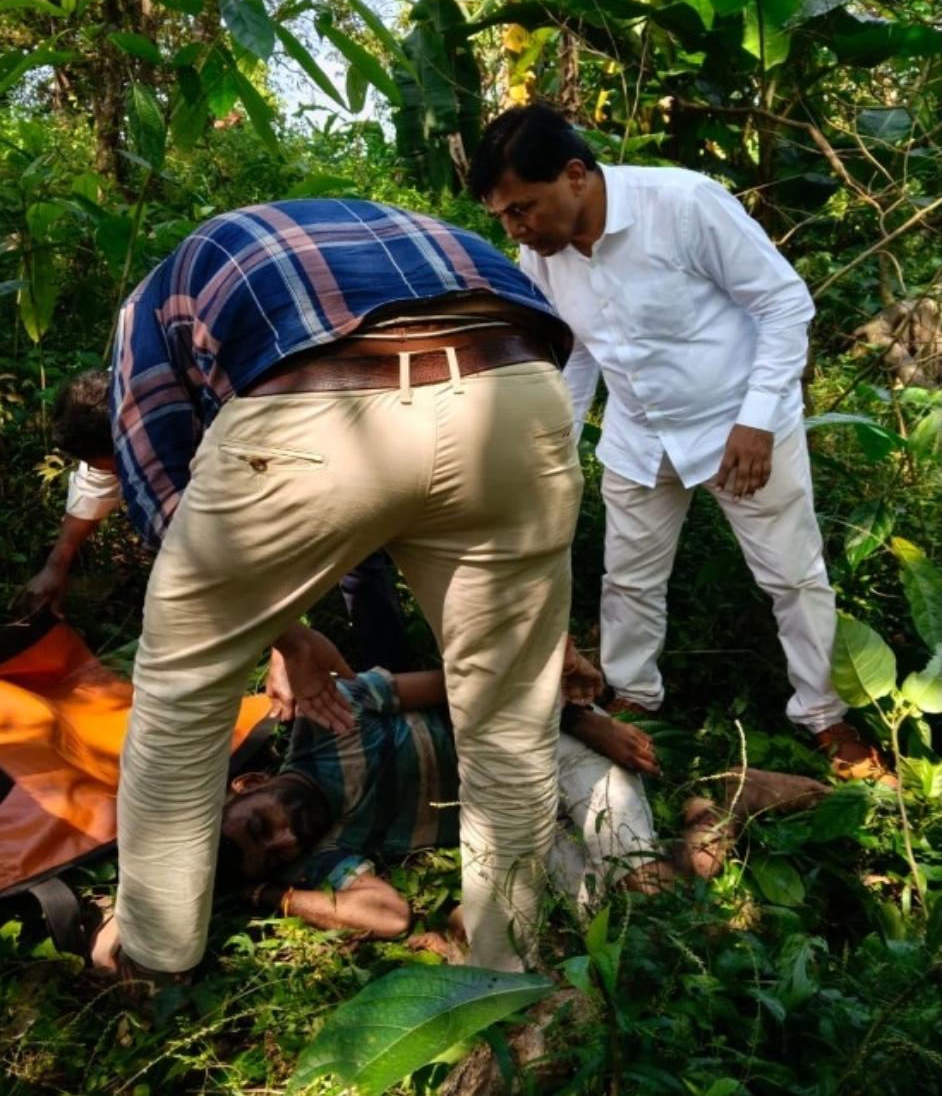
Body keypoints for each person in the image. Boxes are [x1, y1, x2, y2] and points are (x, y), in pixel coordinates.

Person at [103, 198, 584, 984]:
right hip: (514, 390)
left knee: (184, 689)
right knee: (508, 709)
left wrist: (280, 633)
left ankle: (152, 956)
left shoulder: (145, 310)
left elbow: (167, 494)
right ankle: (504, 958)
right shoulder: (394, 226)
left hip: (319, 404)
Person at [468, 102, 887, 782]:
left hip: (738, 426)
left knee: (792, 577)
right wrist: (556, 441)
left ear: (574, 175)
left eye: (524, 208)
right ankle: (635, 697)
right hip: (638, 436)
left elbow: (783, 303)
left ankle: (825, 715)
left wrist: (757, 420)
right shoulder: (541, 255)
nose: (517, 228)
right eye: (504, 217)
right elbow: (577, 349)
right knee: (629, 579)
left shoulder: (684, 203)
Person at [212, 658, 828, 943]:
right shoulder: (322, 853)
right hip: (518, 822)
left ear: (248, 783)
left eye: (262, 825)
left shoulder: (326, 718)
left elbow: (465, 682)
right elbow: (390, 917)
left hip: (548, 749)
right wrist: (266, 895)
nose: (287, 838)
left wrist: (578, 719)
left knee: (644, 890)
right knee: (634, 923)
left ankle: (731, 799)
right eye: (275, 855)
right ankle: (725, 805)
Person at [17, 371, 414, 674]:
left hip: (317, 442)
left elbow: (280, 515)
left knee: (358, 561)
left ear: (132, 440)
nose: (118, 477)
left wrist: (289, 642)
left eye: (119, 467)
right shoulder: (115, 410)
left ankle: (390, 677)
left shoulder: (217, 408)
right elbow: (97, 482)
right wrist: (56, 566)